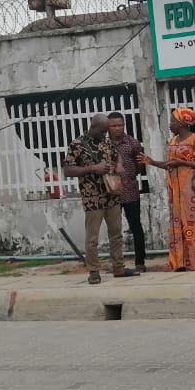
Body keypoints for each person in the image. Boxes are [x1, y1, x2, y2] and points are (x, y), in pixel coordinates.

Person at [65, 114, 138, 285]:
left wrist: (118, 165)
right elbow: (68, 170)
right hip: (93, 197)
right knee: (93, 238)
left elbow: (117, 155)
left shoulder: (106, 142)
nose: (106, 133)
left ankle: (118, 267)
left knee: (116, 234)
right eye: (104, 130)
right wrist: (93, 168)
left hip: (111, 194)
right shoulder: (77, 144)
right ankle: (94, 271)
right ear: (94, 127)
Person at [140, 108, 195, 271]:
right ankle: (180, 262)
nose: (170, 124)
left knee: (194, 224)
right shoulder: (173, 141)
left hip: (192, 190)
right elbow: (170, 165)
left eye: (173, 121)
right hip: (175, 192)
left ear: (182, 123)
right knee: (178, 224)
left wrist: (182, 162)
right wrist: (152, 162)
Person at [106, 112, 147, 273]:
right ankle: (117, 264)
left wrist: (128, 176)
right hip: (111, 193)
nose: (117, 128)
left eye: (120, 125)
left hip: (130, 191)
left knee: (135, 226)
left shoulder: (132, 143)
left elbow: (140, 165)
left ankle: (140, 262)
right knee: (114, 229)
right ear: (108, 127)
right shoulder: (104, 144)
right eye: (113, 126)